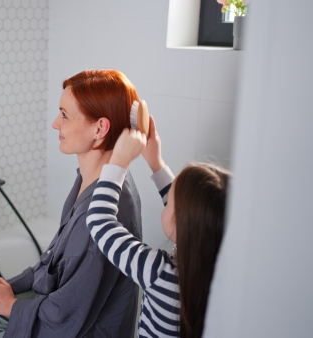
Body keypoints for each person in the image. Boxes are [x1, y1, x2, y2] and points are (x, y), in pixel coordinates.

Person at [0, 69, 143, 337]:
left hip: (76, 328)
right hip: (53, 308)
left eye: (64, 115)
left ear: (99, 128)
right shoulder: (90, 180)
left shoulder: (104, 210)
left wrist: (9, 304)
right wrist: (5, 286)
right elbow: (53, 264)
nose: (55, 123)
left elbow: (69, 316)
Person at [86, 118, 231, 338]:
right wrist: (155, 160)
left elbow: (99, 221)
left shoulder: (159, 273)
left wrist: (118, 162)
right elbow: (190, 211)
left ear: (180, 223)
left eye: (169, 203)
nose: (166, 201)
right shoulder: (225, 274)